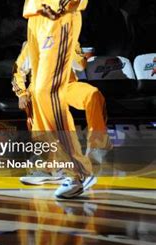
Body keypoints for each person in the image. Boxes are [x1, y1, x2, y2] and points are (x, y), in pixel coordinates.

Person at [23, 0, 96, 198]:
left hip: (60, 17)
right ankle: (51, 164)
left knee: (47, 92)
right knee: (36, 92)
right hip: (34, 20)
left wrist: (62, 5)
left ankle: (79, 171)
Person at [12, 41, 112, 185]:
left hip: (67, 85)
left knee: (93, 94)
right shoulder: (32, 42)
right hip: (41, 88)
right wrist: (21, 93)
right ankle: (48, 166)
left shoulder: (71, 39)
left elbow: (80, 65)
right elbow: (17, 72)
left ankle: (97, 145)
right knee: (36, 102)